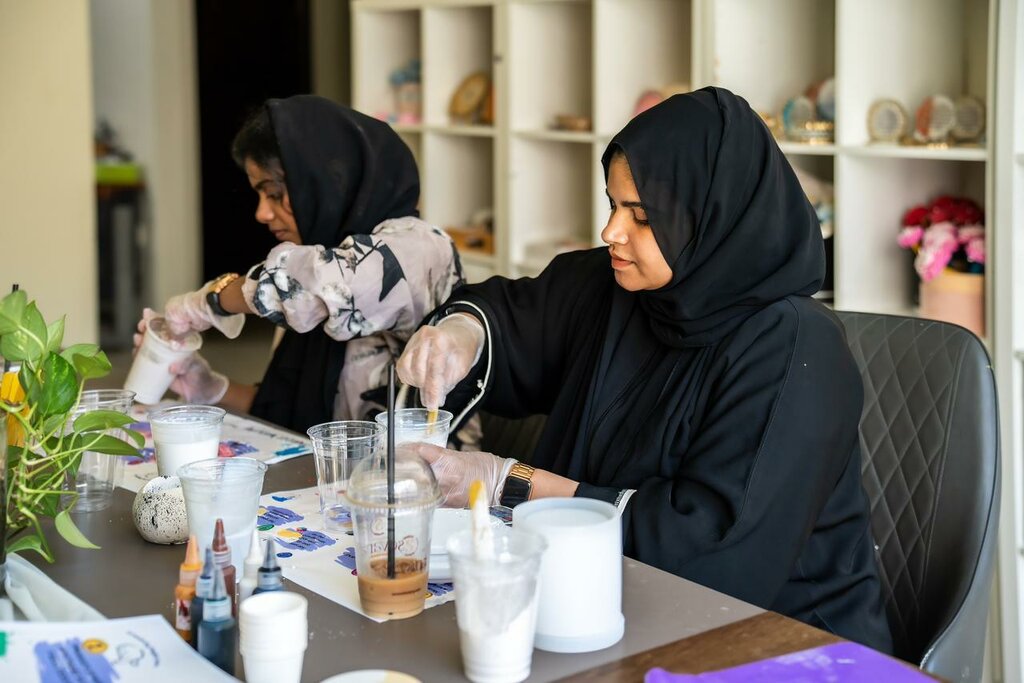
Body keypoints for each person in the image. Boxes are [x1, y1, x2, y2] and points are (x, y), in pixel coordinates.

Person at [396, 88, 893, 651]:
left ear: (711, 218)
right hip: (596, 600)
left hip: (777, 638)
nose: (611, 231)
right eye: (613, 205)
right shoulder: (610, 286)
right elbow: (511, 318)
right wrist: (463, 332)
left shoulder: (795, 351)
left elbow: (710, 554)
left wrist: (508, 483)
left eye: (643, 216)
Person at [135, 95, 470, 437]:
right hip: (337, 465)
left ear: (326, 181)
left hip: (426, 466)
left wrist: (210, 300)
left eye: (275, 194)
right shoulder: (309, 264)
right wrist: (208, 386)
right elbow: (288, 413)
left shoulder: (418, 248)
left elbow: (314, 286)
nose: (262, 213)